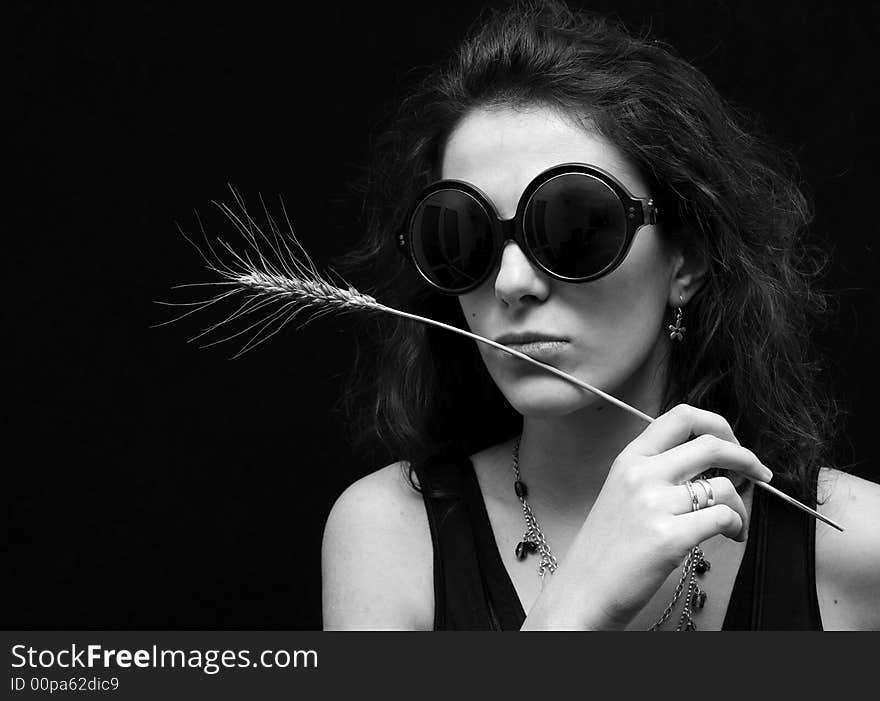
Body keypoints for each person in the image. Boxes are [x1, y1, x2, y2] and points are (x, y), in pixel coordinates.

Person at [321, 0, 880, 630]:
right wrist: (579, 605)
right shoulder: (390, 535)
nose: (510, 283)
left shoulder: (856, 545)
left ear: (686, 259)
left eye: (573, 225)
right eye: (462, 241)